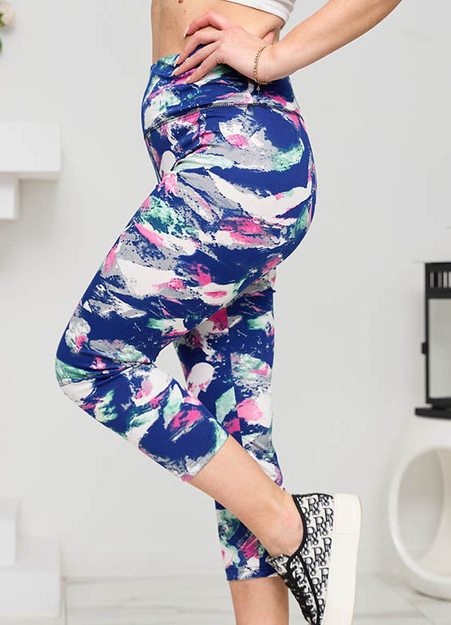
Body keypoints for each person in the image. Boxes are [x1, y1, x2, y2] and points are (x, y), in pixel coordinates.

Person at [54, 1, 403, 623]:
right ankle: (283, 535)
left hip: (237, 152)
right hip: (205, 150)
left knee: (93, 363)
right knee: (237, 436)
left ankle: (294, 525)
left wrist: (275, 56)